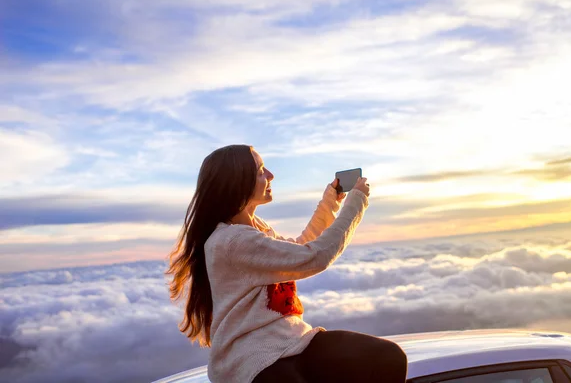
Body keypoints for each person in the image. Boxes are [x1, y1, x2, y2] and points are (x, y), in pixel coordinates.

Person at [167, 144, 408, 383]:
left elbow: (301, 248)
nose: (271, 175)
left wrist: (330, 203)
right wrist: (355, 204)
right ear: (238, 180)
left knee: (387, 358)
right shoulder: (231, 241)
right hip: (251, 357)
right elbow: (313, 257)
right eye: (261, 170)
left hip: (291, 341)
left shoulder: (255, 229)